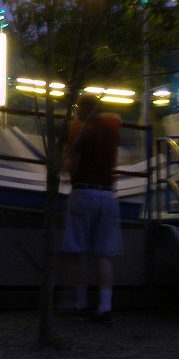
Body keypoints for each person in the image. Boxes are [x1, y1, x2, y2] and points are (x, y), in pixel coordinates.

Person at [61, 93, 123, 323]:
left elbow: (71, 164)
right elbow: (116, 115)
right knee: (102, 254)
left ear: (82, 109)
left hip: (84, 193)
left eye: (78, 107)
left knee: (76, 251)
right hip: (108, 194)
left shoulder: (78, 131)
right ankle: (105, 306)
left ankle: (80, 303)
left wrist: (62, 165)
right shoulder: (111, 124)